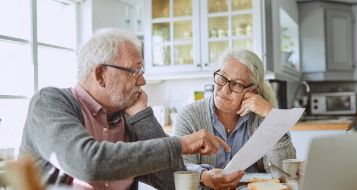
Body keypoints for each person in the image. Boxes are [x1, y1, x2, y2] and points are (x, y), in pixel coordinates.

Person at [18, 28, 229, 190]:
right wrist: (180, 144)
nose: (143, 80)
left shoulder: (127, 116)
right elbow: (87, 163)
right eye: (134, 71)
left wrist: (142, 116)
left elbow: (170, 181)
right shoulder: (49, 103)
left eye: (142, 71)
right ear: (100, 75)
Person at [174, 48, 296, 189]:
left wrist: (272, 117)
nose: (225, 89)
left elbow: (284, 174)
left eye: (237, 84)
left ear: (253, 90)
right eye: (222, 78)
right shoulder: (189, 116)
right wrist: (205, 176)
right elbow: (180, 169)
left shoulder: (261, 117)